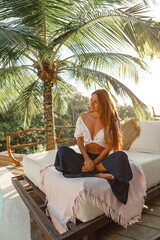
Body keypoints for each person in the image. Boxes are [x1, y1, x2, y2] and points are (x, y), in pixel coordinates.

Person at [54, 89, 133, 204]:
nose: (91, 104)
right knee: (62, 152)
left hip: (102, 160)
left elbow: (109, 147)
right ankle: (97, 174)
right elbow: (79, 140)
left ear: (104, 103)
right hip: (86, 158)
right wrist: (86, 159)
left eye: (95, 102)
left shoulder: (113, 120)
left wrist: (94, 163)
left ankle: (93, 171)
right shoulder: (83, 117)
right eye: (91, 100)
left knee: (121, 156)